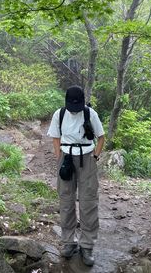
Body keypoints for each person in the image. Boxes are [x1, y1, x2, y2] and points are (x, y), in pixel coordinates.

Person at [47, 85, 105, 266]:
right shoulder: (60, 114)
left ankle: (87, 246)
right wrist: (59, 157)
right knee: (66, 201)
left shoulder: (90, 113)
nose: (74, 110)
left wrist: (95, 156)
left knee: (88, 201)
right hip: (66, 158)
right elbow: (55, 137)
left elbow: (101, 136)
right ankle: (68, 242)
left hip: (87, 158)